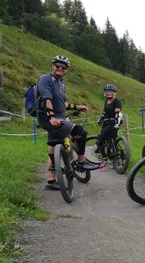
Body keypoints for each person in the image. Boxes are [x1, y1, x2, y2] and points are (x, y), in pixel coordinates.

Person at [37, 55, 100, 191]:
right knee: (80, 132)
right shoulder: (45, 79)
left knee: (53, 147)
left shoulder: (62, 83)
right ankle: (82, 161)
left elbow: (61, 103)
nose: (60, 68)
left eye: (63, 67)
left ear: (66, 70)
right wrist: (52, 117)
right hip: (49, 118)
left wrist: (77, 107)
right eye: (57, 66)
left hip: (59, 116)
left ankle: (51, 180)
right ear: (52, 66)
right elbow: (47, 98)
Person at [95, 84, 123, 168]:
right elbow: (105, 112)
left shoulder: (117, 101)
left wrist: (116, 124)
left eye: (110, 91)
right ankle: (117, 159)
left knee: (99, 141)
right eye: (106, 91)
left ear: (114, 93)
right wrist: (101, 119)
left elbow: (117, 114)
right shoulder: (106, 101)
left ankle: (105, 158)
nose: (108, 93)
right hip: (106, 123)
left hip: (112, 123)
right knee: (111, 141)